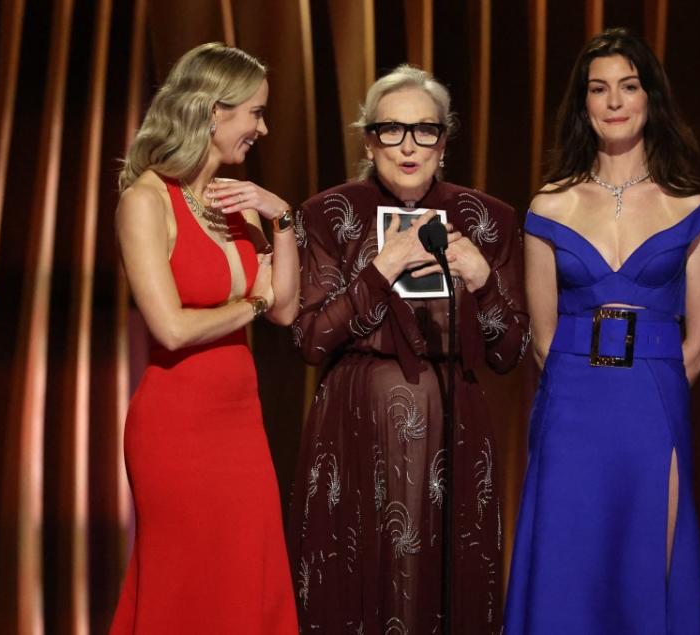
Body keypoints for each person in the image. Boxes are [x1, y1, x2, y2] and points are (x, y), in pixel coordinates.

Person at [287, 64, 530, 633]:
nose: (409, 145)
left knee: (449, 582)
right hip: (354, 426)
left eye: (425, 130)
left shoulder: (489, 219)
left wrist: (482, 280)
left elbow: (510, 352)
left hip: (454, 423)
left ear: (444, 141)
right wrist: (380, 270)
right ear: (369, 139)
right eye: (391, 130)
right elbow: (309, 337)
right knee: (353, 580)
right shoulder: (327, 214)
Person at [504, 28, 700, 633]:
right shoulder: (549, 206)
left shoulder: (694, 207)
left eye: (628, 86)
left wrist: (651, 386)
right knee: (569, 557)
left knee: (653, 554)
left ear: (651, 97)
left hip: (653, 400)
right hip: (571, 401)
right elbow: (542, 337)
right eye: (599, 90)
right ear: (583, 105)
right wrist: (580, 383)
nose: (615, 101)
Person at [109, 43, 298, 633]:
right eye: (254, 112)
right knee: (186, 585)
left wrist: (282, 218)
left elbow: (286, 311)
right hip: (176, 426)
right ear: (212, 112)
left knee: (248, 578)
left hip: (241, 422)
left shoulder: (231, 203)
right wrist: (254, 301)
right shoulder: (145, 200)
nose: (261, 128)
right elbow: (170, 326)